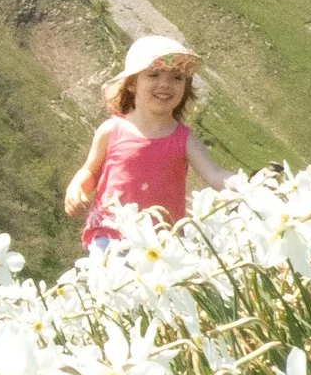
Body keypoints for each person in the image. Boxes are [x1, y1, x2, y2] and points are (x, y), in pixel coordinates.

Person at [64, 34, 235, 250]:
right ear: (132, 84)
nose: (165, 84)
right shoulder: (112, 130)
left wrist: (248, 185)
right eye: (153, 75)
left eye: (177, 78)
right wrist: (76, 188)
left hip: (161, 245)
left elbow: (214, 174)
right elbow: (91, 170)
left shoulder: (184, 139)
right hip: (111, 236)